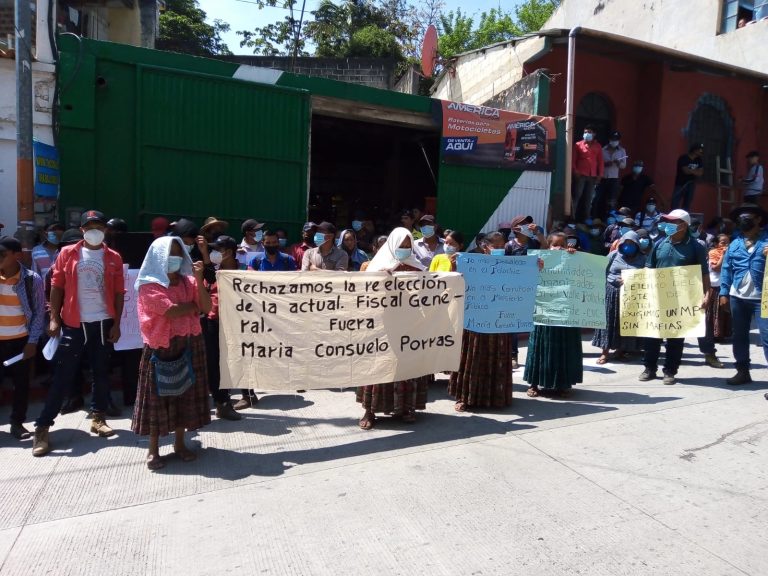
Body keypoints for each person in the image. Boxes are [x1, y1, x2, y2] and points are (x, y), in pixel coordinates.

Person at [32, 210, 125, 457]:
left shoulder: (113, 256)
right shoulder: (67, 253)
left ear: (105, 230)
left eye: (99, 226)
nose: (95, 230)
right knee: (63, 375)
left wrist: (116, 324)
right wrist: (54, 318)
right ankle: (42, 427)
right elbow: (57, 286)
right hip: (74, 322)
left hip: (103, 323)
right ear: (82, 230)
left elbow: (118, 292)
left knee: (101, 372)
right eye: (90, 226)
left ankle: (98, 417)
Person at [132, 236, 212, 470]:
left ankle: (180, 444)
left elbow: (206, 308)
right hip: (161, 346)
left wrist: (198, 279)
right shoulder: (149, 284)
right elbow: (170, 311)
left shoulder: (189, 281)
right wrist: (191, 307)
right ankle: (153, 450)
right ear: (158, 256)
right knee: (157, 399)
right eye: (170, 253)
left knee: (185, 395)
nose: (175, 258)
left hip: (188, 342)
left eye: (179, 253)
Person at [356, 228, 429, 429]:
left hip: (408, 327)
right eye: (401, 246)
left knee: (406, 368)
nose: (404, 250)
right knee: (377, 367)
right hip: (380, 327)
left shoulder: (418, 269)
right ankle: (369, 410)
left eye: (408, 246)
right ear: (391, 245)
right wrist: (379, 279)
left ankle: (407, 408)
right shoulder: (373, 267)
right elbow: (361, 297)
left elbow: (430, 294)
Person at [639, 209, 709, 385]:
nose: (668, 225)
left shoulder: (696, 246)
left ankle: (670, 370)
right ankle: (649, 368)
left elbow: (704, 275)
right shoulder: (660, 244)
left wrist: (707, 295)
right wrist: (636, 284)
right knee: (652, 334)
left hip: (682, 299)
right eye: (667, 222)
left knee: (675, 336)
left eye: (673, 222)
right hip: (657, 298)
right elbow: (649, 268)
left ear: (684, 225)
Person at [448, 232, 514, 411]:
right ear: (485, 246)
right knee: (472, 356)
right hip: (475, 321)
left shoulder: (512, 265)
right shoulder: (471, 262)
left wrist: (536, 268)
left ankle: (497, 397)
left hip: (499, 320)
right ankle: (464, 396)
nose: (500, 249)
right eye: (496, 246)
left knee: (497, 356)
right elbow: (456, 284)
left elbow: (524, 284)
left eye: (502, 246)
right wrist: (454, 267)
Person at [524, 232, 583, 397]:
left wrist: (575, 258)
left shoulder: (573, 259)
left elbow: (584, 278)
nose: (559, 248)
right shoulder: (539, 261)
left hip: (566, 312)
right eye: (555, 244)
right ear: (548, 246)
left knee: (564, 347)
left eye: (563, 244)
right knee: (539, 347)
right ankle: (534, 383)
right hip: (544, 312)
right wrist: (538, 267)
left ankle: (562, 384)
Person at [0, 238, 45, 440]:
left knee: (21, 385)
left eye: (2, 254)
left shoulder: (31, 279)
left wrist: (32, 342)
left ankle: (17, 423)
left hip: (20, 341)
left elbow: (38, 314)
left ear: (16, 255)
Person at [719, 204, 768, 385]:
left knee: (767, 336)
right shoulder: (735, 243)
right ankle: (742, 371)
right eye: (741, 217)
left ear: (758, 220)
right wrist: (724, 292)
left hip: (763, 299)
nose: (743, 219)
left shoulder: (767, 241)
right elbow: (726, 269)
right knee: (739, 335)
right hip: (737, 298)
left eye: (748, 216)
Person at [201, 235, 241, 421]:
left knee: (231, 364)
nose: (214, 253)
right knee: (215, 365)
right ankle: (222, 402)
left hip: (237, 324)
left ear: (230, 252)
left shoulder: (246, 272)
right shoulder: (211, 272)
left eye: (219, 250)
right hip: (213, 322)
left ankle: (244, 396)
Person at [592, 231, 646, 364]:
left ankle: (621, 351)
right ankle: (604, 353)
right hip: (612, 293)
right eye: (625, 243)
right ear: (621, 243)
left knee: (625, 323)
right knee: (608, 323)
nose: (628, 246)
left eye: (631, 244)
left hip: (631, 295)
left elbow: (647, 275)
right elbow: (601, 270)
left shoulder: (643, 259)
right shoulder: (614, 255)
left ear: (637, 245)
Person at [572, 124, 604, 221]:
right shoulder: (578, 145)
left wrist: (600, 175)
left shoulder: (598, 146)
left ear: (594, 134)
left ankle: (586, 218)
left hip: (592, 176)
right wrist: (575, 171)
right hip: (580, 175)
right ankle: (572, 217)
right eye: (585, 132)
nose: (587, 134)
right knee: (577, 196)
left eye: (589, 132)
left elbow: (600, 162)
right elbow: (573, 160)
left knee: (589, 198)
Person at [707, 234, 732, 342]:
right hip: (715, 285)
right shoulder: (713, 253)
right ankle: (713, 334)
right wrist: (723, 255)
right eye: (723, 242)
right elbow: (716, 268)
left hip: (726, 284)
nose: (726, 245)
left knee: (724, 311)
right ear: (717, 244)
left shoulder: (731, 253)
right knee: (714, 310)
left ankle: (723, 334)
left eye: (728, 242)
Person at [597, 130, 627, 214]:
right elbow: (597, 164)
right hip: (603, 177)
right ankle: (599, 216)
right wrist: (605, 164)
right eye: (613, 139)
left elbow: (624, 165)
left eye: (616, 139)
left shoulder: (622, 151)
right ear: (609, 139)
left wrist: (618, 163)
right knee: (599, 198)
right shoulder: (603, 150)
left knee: (612, 200)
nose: (614, 141)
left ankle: (610, 218)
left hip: (614, 178)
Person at [671, 144, 704, 211]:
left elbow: (700, 173)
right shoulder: (683, 158)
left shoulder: (699, 160)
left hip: (691, 185)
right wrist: (695, 171)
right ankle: (673, 219)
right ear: (694, 150)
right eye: (700, 150)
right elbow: (685, 171)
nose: (701, 152)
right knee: (675, 203)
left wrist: (691, 171)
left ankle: (683, 219)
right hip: (680, 184)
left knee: (687, 204)